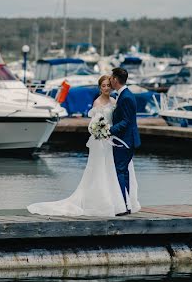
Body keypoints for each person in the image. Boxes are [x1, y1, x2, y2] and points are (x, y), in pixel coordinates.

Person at [27, 75, 128, 217]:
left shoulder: (114, 101)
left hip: (110, 140)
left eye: (108, 86)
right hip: (100, 141)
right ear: (100, 88)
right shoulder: (97, 103)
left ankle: (113, 202)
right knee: (98, 170)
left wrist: (109, 132)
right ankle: (99, 203)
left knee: (110, 170)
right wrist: (100, 131)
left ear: (111, 87)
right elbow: (93, 124)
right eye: (103, 86)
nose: (106, 88)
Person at [109, 67, 141, 214]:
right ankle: (126, 204)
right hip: (126, 140)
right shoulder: (123, 95)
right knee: (124, 172)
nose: (110, 80)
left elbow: (126, 121)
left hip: (125, 140)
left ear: (115, 79)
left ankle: (122, 205)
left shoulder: (126, 97)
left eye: (111, 78)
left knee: (119, 171)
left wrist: (109, 130)